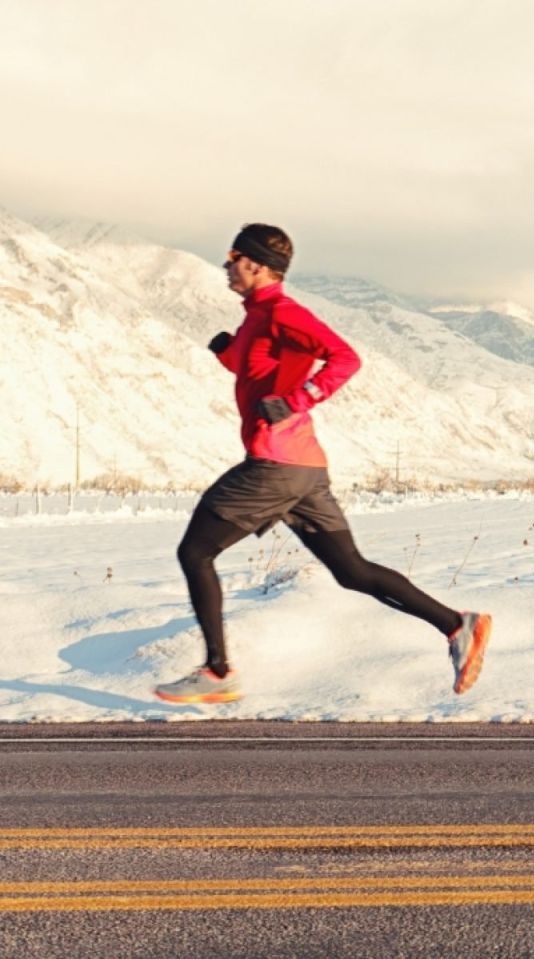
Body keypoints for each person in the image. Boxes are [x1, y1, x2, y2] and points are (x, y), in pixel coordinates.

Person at [155, 223, 491, 704]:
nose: (226, 266)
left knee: (195, 553)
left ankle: (217, 672)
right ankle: (458, 625)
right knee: (351, 572)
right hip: (304, 468)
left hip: (275, 464)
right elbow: (260, 371)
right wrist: (228, 353)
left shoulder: (281, 311)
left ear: (256, 264)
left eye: (232, 257)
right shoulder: (256, 318)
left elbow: (344, 358)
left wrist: (299, 400)